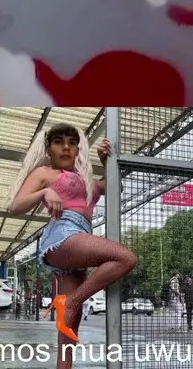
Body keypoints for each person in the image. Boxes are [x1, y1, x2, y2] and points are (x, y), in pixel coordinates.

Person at [8, 123, 132, 369]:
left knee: (69, 329)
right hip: (63, 234)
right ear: (48, 148)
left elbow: (114, 188)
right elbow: (15, 206)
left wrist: (107, 161)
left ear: (78, 150)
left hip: (79, 237)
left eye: (72, 143)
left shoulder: (86, 180)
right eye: (59, 142)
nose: (66, 147)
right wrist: (44, 192)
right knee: (125, 258)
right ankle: (74, 300)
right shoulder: (45, 173)